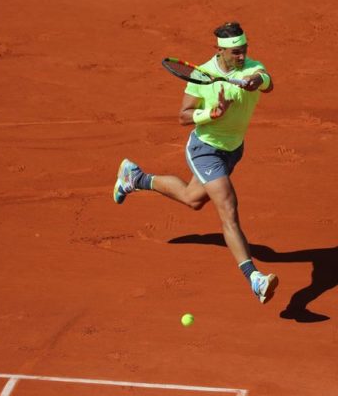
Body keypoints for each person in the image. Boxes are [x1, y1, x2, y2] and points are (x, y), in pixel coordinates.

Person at [112, 21, 278, 304]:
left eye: (244, 49)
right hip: (205, 150)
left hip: (232, 149)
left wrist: (256, 80)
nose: (241, 56)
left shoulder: (251, 68)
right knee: (227, 206)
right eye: (236, 52)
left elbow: (267, 81)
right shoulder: (202, 75)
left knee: (193, 199)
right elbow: (183, 116)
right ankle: (254, 277)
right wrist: (211, 114)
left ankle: (135, 178)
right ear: (220, 50)